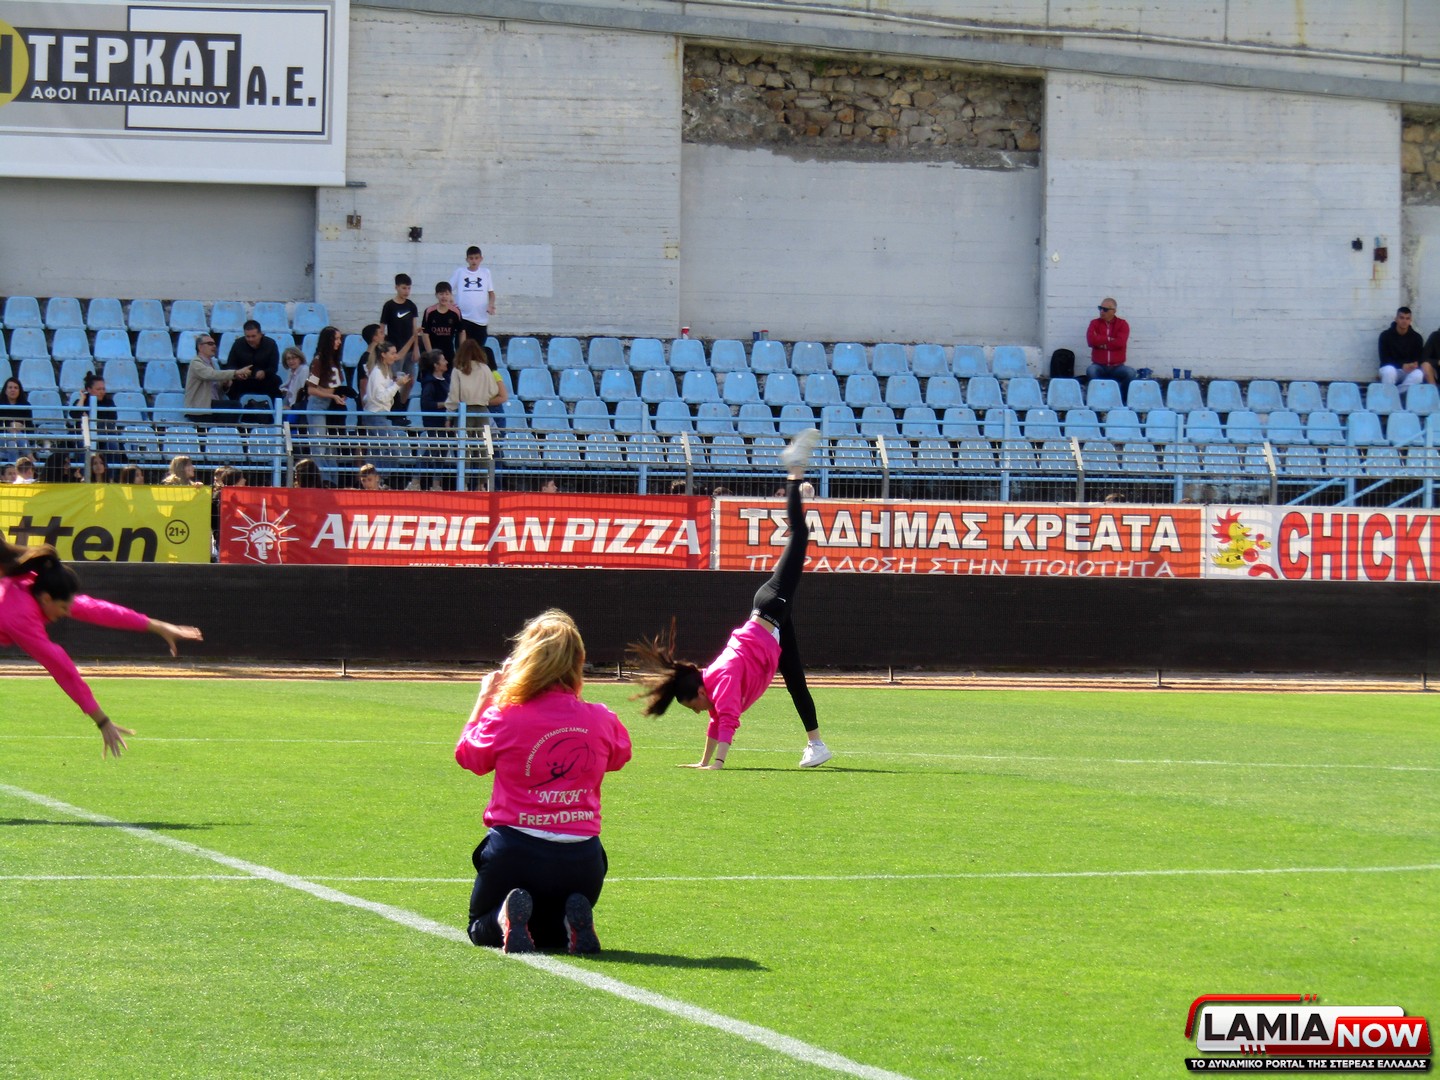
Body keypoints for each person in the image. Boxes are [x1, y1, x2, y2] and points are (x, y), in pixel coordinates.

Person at [629, 428, 831, 770]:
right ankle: (816, 744)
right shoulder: (712, 684)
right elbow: (716, 721)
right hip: (770, 621)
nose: (697, 712)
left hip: (771, 609)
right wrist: (702, 762)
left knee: (799, 534)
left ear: (700, 693)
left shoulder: (720, 682)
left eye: (692, 706)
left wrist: (718, 764)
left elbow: (728, 722)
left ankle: (795, 472)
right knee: (795, 679)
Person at [455, 609, 632, 954]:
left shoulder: (504, 715)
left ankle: (505, 916)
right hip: (582, 859)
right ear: (578, 661)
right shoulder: (602, 718)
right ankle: (569, 920)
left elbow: (469, 757)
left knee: (479, 927)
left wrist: (486, 697)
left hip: (515, 851)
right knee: (551, 933)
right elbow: (619, 757)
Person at [0, 539, 203, 758]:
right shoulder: (21, 614)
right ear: (47, 599)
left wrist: (157, 626)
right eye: (63, 608)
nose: (67, 613)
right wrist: (102, 720)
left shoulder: (36, 586)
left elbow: (96, 609)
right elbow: (60, 666)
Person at [445, 339, 506, 480]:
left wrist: (449, 417)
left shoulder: (458, 370)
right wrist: (483, 398)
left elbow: (453, 395)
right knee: (485, 448)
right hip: (483, 411)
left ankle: (464, 483)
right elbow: (494, 390)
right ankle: (483, 483)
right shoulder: (485, 369)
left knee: (464, 449)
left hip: (464, 412)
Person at [185, 334, 252, 421]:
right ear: (200, 347)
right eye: (210, 344)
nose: (214, 346)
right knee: (235, 406)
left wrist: (225, 384)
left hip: (211, 406)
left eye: (214, 344)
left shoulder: (213, 364)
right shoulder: (195, 363)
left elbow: (217, 385)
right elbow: (210, 374)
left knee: (235, 406)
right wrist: (236, 372)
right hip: (200, 408)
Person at [418, 349, 454, 490]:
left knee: (442, 452)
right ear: (436, 365)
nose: (446, 362)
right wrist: (445, 404)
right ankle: (415, 480)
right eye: (443, 360)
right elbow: (426, 403)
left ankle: (436, 483)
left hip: (446, 421)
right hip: (434, 421)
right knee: (433, 450)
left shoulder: (447, 379)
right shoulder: (430, 383)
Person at [1086, 298, 1134, 400]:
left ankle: (1122, 400)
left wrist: (1100, 343)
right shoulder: (1094, 323)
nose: (1101, 311)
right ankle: (1098, 399)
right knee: (1091, 370)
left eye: (1105, 309)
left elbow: (1120, 343)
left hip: (1117, 366)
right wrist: (1109, 339)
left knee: (1130, 373)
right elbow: (1091, 341)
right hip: (1099, 365)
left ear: (1114, 311)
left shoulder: (1122, 324)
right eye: (1100, 308)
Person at [449, 245, 497, 346]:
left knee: (478, 349)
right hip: (463, 317)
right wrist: (452, 304)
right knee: (461, 348)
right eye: (471, 258)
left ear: (481, 259)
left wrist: (491, 305)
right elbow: (448, 289)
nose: (474, 261)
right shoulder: (460, 272)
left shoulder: (486, 272)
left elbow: (491, 293)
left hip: (480, 319)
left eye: (476, 258)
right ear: (467, 259)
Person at [224, 320, 283, 400]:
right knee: (233, 385)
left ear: (260, 334)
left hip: (264, 380)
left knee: (275, 382)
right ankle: (235, 407)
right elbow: (230, 365)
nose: (250, 339)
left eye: (253, 336)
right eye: (247, 336)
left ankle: (275, 407)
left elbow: (273, 367)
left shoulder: (271, 344)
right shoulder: (238, 344)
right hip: (242, 381)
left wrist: (264, 372)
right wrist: (238, 373)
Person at [1379, 307, 1428, 388]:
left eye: (1407, 318)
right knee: (1389, 371)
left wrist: (1414, 365)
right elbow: (1384, 360)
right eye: (1401, 318)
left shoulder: (1417, 337)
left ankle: (1399, 392)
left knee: (1419, 374)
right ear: (1396, 319)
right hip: (1391, 369)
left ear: (1410, 320)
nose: (1404, 321)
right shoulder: (1385, 336)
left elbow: (1419, 359)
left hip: (1408, 371)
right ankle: (1389, 394)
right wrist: (1402, 365)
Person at [421, 281, 465, 360]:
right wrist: (430, 354)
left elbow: (462, 332)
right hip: (433, 352)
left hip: (449, 352)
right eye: (441, 294)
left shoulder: (456, 312)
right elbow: (425, 334)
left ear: (451, 295)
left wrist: (462, 351)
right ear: (436, 295)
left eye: (447, 294)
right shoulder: (429, 312)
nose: (444, 297)